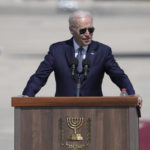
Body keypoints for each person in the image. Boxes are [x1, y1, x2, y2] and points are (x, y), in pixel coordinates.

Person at [22, 10, 142, 107]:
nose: (87, 34)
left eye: (91, 30)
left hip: (94, 110)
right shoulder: (57, 50)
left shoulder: (103, 51)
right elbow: (39, 77)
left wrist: (131, 94)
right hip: (63, 109)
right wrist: (27, 95)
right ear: (71, 30)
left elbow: (119, 76)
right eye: (83, 30)